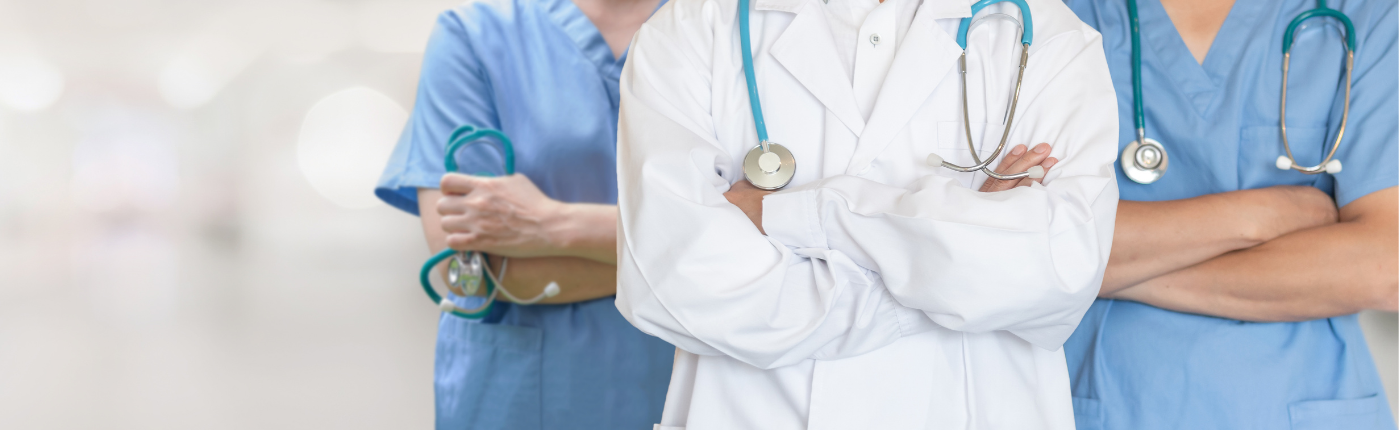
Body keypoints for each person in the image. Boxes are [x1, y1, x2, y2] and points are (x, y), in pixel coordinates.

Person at [614, 0, 1120, 427]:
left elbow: (1058, 267)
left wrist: (797, 212)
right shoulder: (691, 29)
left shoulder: (1047, 35)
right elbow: (677, 279)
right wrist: (961, 271)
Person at [1060, 0, 1398, 427]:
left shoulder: (1367, 12)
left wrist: (1104, 271)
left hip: (1301, 404)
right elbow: (1015, 242)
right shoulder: (1055, 12)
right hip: (1104, 402)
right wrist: (1254, 218)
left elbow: (1386, 266)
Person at [373, 0, 674, 428]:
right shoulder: (473, 35)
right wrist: (696, 259)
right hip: (521, 402)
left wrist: (548, 224)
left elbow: (773, 232)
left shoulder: (727, 32)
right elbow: (471, 275)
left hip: (692, 390)